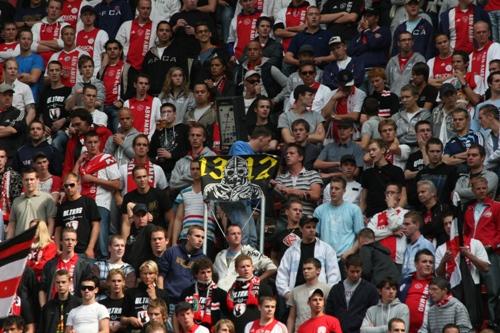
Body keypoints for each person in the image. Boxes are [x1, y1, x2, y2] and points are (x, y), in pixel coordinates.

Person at [73, 131, 120, 258]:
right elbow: (72, 181)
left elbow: (117, 184)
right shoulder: (83, 162)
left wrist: (93, 179)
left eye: (95, 142)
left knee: (101, 238)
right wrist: (77, 163)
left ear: (100, 143)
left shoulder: (107, 159)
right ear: (85, 144)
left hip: (100, 203)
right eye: (90, 142)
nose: (93, 145)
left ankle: (104, 260)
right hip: (83, 203)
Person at [463, 176, 500, 327]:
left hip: (491, 254)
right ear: (473, 190)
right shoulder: (469, 209)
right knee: (473, 290)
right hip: (472, 254)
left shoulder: (496, 207)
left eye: (484, 188)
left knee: (493, 290)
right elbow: (466, 231)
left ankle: (493, 323)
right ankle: (475, 323)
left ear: (488, 189)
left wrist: (492, 245)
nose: (481, 191)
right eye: (478, 189)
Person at [277, 215, 341, 301]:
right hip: (296, 296)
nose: (312, 230)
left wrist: (326, 294)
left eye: (314, 227)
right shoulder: (291, 251)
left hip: (320, 297)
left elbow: (334, 275)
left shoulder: (326, 249)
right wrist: (287, 293)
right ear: (300, 229)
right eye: (308, 227)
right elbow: (282, 274)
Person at [39, 227, 97, 307]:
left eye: (73, 240)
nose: (70, 242)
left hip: (76, 307)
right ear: (61, 242)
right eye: (67, 239)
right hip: (53, 306)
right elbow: (42, 288)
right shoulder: (50, 264)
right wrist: (44, 307)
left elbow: (90, 288)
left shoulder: (84, 265)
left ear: (76, 242)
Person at [214, 224, 277, 292]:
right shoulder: (220, 255)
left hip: (239, 293)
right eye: (233, 234)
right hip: (219, 293)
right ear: (227, 237)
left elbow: (272, 267)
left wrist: (256, 281)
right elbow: (212, 273)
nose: (236, 236)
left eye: (239, 233)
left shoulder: (249, 252)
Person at [314, 176, 364, 260]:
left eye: (337, 189)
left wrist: (351, 252)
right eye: (331, 188)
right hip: (324, 257)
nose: (333, 191)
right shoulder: (319, 210)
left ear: (344, 191)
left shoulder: (354, 209)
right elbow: (315, 236)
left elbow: (360, 236)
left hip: (346, 257)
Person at [172, 160, 216, 254]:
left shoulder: (213, 192)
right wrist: (174, 242)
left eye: (198, 168)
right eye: (193, 169)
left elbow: (221, 214)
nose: (195, 171)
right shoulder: (184, 192)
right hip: (186, 236)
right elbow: (178, 219)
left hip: (206, 236)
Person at [55, 172, 101, 257]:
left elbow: (96, 225)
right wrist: (58, 249)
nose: (69, 188)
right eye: (66, 186)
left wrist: (90, 248)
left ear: (78, 184)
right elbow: (58, 229)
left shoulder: (88, 202)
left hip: (85, 251)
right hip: (67, 252)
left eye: (72, 185)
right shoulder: (62, 207)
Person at [121, 165, 172, 239]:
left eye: (144, 176)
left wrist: (168, 239)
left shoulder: (160, 194)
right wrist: (124, 243)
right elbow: (126, 223)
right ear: (133, 179)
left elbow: (171, 219)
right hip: (137, 237)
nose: (142, 179)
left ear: (148, 177)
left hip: (157, 236)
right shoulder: (128, 197)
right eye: (139, 177)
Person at [158, 226, 207, 304]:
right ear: (188, 237)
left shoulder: (203, 259)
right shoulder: (172, 251)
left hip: (191, 302)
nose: (200, 240)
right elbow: (160, 275)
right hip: (170, 300)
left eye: (203, 237)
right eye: (197, 236)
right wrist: (161, 297)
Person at [272, 143, 322, 218]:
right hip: (286, 221)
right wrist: (274, 188)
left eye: (291, 153)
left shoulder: (312, 174)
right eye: (286, 154)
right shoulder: (280, 178)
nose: (288, 156)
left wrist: (290, 191)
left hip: (306, 220)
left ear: (300, 157)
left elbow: (316, 195)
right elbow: (276, 203)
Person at [226, 254, 273, 332]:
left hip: (256, 329)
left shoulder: (263, 287)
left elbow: (269, 311)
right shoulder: (232, 289)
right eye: (242, 267)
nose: (246, 269)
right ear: (236, 270)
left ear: (253, 267)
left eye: (248, 266)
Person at [98, 39, 137, 132]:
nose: (112, 51)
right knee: (103, 135)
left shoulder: (128, 68)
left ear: (120, 51)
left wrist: (122, 100)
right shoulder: (102, 70)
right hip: (102, 107)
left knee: (119, 134)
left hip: (118, 108)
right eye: (109, 49)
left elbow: (134, 88)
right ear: (106, 51)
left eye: (115, 48)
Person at [360, 139, 406, 217]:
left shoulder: (397, 171)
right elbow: (363, 199)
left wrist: (395, 215)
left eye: (374, 150)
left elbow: (403, 197)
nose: (371, 153)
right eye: (369, 151)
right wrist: (361, 216)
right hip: (371, 217)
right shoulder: (367, 173)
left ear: (383, 150)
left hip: (391, 215)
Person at [367, 183, 408, 268]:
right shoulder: (377, 216)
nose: (389, 195)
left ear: (399, 196)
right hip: (378, 261)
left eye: (392, 193)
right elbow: (369, 236)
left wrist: (390, 208)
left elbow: (394, 225)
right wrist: (391, 233)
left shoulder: (406, 214)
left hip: (398, 261)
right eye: (387, 193)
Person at [178, 258, 228, 330]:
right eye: (203, 272)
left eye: (209, 272)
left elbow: (226, 318)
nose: (206, 275)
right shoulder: (187, 292)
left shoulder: (221, 293)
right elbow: (178, 315)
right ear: (196, 274)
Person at [6, 169, 57, 238]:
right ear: (22, 181)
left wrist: (47, 240)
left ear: (38, 180)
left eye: (32, 179)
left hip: (39, 242)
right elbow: (12, 224)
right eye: (26, 180)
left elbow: (51, 222)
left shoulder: (47, 198)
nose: (29, 182)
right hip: (20, 243)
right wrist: (9, 243)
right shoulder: (16, 201)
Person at [286, 258, 332, 333]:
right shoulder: (295, 291)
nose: (306, 271)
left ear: (318, 270)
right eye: (304, 269)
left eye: (309, 268)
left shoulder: (326, 289)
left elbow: (330, 314)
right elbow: (291, 317)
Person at [121, 260, 169, 331]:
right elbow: (122, 319)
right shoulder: (130, 293)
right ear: (140, 274)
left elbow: (165, 316)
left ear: (156, 274)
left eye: (150, 273)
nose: (147, 276)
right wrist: (130, 319)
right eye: (145, 273)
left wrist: (154, 297)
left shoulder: (163, 294)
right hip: (135, 330)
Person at [142, 21, 188, 96]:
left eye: (167, 30)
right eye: (161, 30)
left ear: (170, 33)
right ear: (157, 33)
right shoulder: (150, 54)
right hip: (152, 95)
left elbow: (185, 74)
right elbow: (144, 75)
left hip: (172, 95)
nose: (164, 33)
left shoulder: (178, 51)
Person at [169, 123, 216, 191]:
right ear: (189, 137)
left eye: (198, 135)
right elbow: (172, 184)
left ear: (204, 138)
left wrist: (184, 179)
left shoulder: (212, 157)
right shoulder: (181, 162)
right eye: (192, 135)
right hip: (186, 199)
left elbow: (213, 181)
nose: (195, 138)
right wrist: (198, 176)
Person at [38, 61, 71, 154]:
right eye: (51, 70)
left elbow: (75, 113)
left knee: (56, 142)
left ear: (61, 72)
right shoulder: (44, 93)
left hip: (64, 131)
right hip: (46, 132)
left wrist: (64, 120)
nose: (54, 72)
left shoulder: (69, 90)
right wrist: (43, 126)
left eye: (57, 70)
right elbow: (40, 113)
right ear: (48, 73)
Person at [399, 249, 434, 333]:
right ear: (416, 264)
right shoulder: (405, 282)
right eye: (424, 261)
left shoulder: (436, 284)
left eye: (431, 262)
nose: (428, 264)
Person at [416, 138, 458, 207]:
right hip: (425, 211)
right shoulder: (421, 174)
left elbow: (453, 194)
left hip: (444, 210)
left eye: (438, 151)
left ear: (442, 152)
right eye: (432, 151)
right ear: (426, 152)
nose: (435, 154)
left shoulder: (451, 171)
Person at [115, 0, 156, 71]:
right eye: (143, 8)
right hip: (128, 67)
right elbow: (117, 46)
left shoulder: (156, 27)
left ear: (151, 9)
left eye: (148, 8)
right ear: (137, 8)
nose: (145, 11)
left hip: (148, 67)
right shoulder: (126, 25)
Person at [123, 74, 161, 138]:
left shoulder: (156, 101)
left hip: (149, 141)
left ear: (148, 87)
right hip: (130, 141)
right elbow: (123, 123)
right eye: (141, 83)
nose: (143, 85)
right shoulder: (127, 103)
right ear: (135, 85)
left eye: (146, 84)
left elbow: (159, 122)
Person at [31, 0, 69, 64]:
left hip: (59, 64)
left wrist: (41, 42)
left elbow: (63, 43)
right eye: (51, 7)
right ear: (47, 9)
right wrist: (53, 48)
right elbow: (31, 46)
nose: (54, 10)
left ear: (60, 12)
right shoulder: (37, 26)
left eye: (57, 8)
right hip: (39, 65)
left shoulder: (65, 25)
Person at [401, 211, 435, 278]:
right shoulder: (408, 247)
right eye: (403, 224)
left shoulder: (426, 244)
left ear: (417, 225)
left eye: (407, 224)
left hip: (420, 283)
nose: (404, 227)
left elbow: (431, 269)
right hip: (407, 282)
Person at [76, 6, 108, 75]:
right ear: (81, 18)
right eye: (85, 15)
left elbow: (106, 55)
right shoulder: (76, 34)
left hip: (95, 73)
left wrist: (101, 73)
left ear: (94, 17)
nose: (88, 17)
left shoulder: (102, 33)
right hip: (79, 75)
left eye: (90, 14)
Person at [2, 59, 36, 123]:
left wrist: (23, 126)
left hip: (18, 122)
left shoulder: (25, 87)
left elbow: (32, 111)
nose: (13, 71)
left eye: (15, 69)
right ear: (4, 71)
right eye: (10, 68)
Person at [15, 28, 44, 102]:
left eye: (29, 39)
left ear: (31, 41)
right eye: (23, 38)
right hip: (17, 100)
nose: (26, 41)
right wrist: (24, 76)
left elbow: (33, 79)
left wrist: (16, 77)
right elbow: (9, 80)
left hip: (32, 100)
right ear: (18, 40)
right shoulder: (14, 60)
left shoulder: (37, 58)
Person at [469, 21, 500, 89]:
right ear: (473, 35)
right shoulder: (470, 56)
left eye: (484, 32)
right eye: (478, 32)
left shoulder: (496, 47)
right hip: (476, 95)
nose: (481, 34)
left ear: (489, 33)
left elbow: (497, 70)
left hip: (493, 91)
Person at [0, 83, 27, 160]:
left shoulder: (18, 113)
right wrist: (4, 128)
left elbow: (12, 130)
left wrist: (6, 129)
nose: (8, 98)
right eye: (5, 95)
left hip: (11, 157)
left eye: (10, 95)